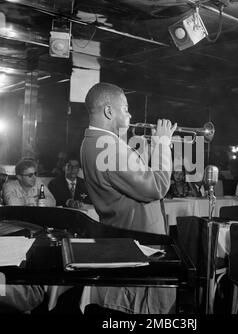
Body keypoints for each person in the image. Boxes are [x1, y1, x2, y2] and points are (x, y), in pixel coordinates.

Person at [80, 82, 177, 314]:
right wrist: (163, 145)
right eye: (125, 108)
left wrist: (143, 152)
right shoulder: (108, 147)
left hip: (125, 237)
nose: (130, 114)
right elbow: (157, 187)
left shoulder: (95, 142)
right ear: (108, 111)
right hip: (135, 244)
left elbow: (127, 179)